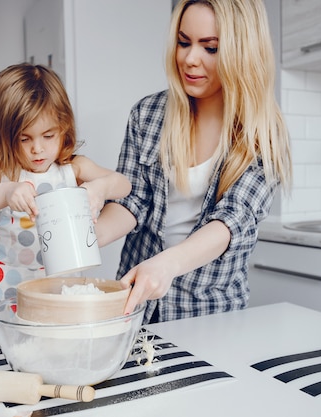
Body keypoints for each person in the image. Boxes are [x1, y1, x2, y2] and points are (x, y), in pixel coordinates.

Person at [95, 0, 291, 324]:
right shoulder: (148, 115)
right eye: (184, 42)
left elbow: (231, 222)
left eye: (210, 48)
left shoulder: (262, 135)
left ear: (241, 52)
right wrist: (85, 235)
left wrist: (166, 265)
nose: (189, 58)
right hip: (138, 306)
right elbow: (132, 200)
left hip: (211, 314)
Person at [0, 63, 131, 348]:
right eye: (24, 139)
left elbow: (123, 184)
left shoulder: (73, 168)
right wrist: (6, 192)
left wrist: (100, 187)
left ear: (64, 128)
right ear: (3, 135)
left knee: (62, 356)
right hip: (9, 295)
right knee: (9, 367)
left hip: (62, 296)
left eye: (48, 136)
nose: (37, 149)